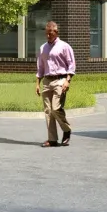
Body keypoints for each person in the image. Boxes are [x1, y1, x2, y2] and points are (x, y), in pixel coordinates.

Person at [35, 19, 75, 148]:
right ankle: (52, 140)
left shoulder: (64, 46)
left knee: (56, 108)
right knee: (48, 111)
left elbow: (71, 64)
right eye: (46, 33)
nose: (48, 36)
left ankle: (66, 129)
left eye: (50, 33)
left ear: (56, 32)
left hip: (60, 79)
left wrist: (67, 80)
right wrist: (37, 83)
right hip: (47, 81)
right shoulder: (43, 48)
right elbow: (40, 67)